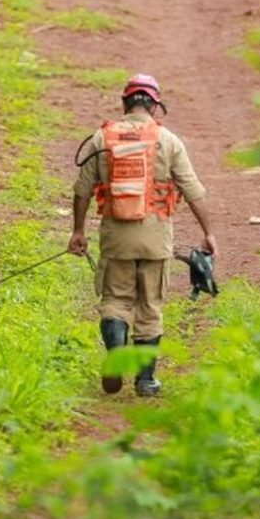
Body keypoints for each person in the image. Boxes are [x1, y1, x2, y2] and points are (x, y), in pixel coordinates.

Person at [68, 74, 217, 396]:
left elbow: (82, 191)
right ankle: (146, 380)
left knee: (115, 302)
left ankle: (117, 355)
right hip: (156, 239)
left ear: (125, 103)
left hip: (116, 238)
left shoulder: (101, 138)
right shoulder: (169, 141)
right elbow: (193, 190)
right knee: (150, 306)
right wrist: (208, 233)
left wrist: (78, 231)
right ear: (155, 106)